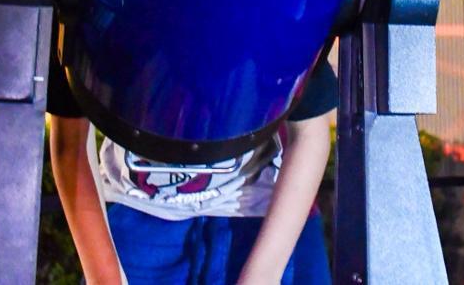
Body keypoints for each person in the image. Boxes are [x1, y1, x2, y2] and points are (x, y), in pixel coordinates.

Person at [48, 56, 336, 284]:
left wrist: (263, 277)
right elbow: (70, 138)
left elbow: (310, 132)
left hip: (259, 210)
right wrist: (104, 276)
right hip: (137, 209)